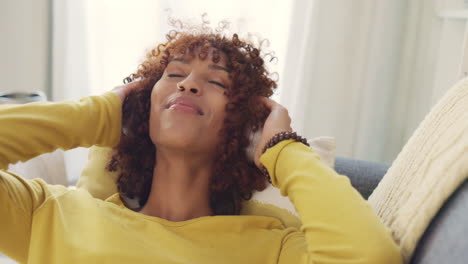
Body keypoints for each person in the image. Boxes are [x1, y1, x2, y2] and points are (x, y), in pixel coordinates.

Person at [0, 23, 403, 264]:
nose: (189, 83)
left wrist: (282, 149)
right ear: (145, 105)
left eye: (215, 82)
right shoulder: (50, 214)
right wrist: (97, 114)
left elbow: (370, 257)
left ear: (242, 126)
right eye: (175, 75)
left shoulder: (271, 245)